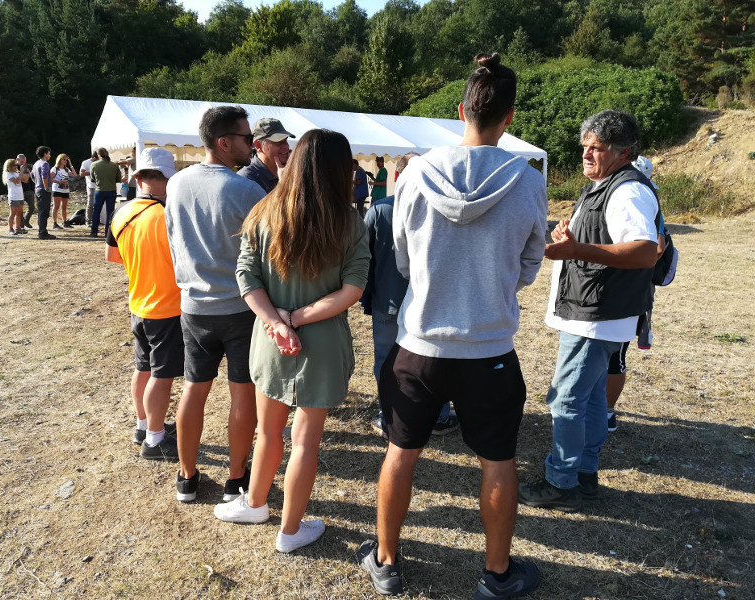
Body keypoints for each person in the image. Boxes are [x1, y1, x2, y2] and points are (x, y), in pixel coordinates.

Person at [357, 53, 547, 599]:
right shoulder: (528, 183)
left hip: (418, 343)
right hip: (489, 346)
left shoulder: (415, 175)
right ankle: (497, 574)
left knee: (401, 451)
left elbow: (403, 258)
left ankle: (387, 559)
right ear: (509, 116)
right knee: (498, 459)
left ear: (461, 109)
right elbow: (529, 267)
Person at [214, 129, 370, 555]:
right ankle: (290, 530)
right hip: (321, 343)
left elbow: (246, 276)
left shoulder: (265, 211)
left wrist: (276, 322)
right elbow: (353, 289)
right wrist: (297, 319)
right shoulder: (350, 221)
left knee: (269, 432)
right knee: (305, 441)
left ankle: (255, 502)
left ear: (295, 160)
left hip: (269, 340)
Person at [517, 110, 660, 513]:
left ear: (623, 151)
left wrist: (576, 249)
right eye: (585, 147)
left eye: (595, 148)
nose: (586, 155)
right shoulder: (606, 185)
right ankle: (584, 475)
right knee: (594, 399)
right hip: (596, 310)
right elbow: (610, 240)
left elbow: (645, 250)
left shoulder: (627, 191)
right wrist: (573, 238)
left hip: (595, 315)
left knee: (566, 400)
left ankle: (560, 483)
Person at [164, 106, 265, 503]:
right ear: (223, 142)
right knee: (243, 394)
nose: (252, 145)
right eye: (245, 138)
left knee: (193, 388)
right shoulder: (246, 190)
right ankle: (236, 479)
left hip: (193, 306)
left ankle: (186, 476)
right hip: (241, 307)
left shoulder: (176, 184)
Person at [362, 152, 459, 439]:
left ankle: (391, 416)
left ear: (396, 176)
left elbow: (362, 259)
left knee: (387, 361)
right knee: (432, 361)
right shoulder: (443, 209)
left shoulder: (380, 210)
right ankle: (437, 416)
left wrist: (368, 293)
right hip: (431, 302)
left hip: (388, 301)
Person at [105, 148, 183, 462]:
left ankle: (142, 425)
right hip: (167, 306)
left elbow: (112, 256)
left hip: (138, 303)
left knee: (143, 368)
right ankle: (154, 439)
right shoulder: (168, 215)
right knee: (161, 377)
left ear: (138, 177)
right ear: (169, 178)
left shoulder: (122, 212)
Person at [605, 155, 666, 432]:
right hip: (616, 290)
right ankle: (601, 408)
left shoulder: (637, 195)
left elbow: (656, 247)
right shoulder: (633, 191)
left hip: (629, 291)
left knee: (615, 356)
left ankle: (607, 412)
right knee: (606, 355)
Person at [237, 118, 294, 193]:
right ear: (257, 145)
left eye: (285, 140)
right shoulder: (246, 180)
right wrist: (283, 184)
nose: (286, 146)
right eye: (278, 141)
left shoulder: (291, 172)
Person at [89, 147, 121, 238]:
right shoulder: (114, 165)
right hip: (111, 191)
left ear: (98, 155)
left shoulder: (94, 165)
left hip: (99, 190)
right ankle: (108, 232)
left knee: (96, 211)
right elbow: (118, 179)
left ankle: (94, 231)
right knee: (110, 212)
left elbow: (92, 179)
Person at [31, 146, 56, 240]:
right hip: (43, 190)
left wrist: (37, 184)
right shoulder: (45, 164)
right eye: (48, 153)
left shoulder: (36, 163)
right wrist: (46, 187)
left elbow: (32, 175)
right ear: (45, 154)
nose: (49, 155)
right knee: (44, 212)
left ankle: (43, 231)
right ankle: (42, 233)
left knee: (41, 211)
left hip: (37, 189)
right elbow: (44, 176)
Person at [51, 154, 77, 229]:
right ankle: (54, 223)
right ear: (59, 160)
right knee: (56, 206)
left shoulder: (66, 169)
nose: (65, 161)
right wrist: (59, 182)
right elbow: (50, 179)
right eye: (64, 159)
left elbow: (75, 175)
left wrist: (71, 165)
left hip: (65, 189)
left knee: (64, 207)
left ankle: (65, 222)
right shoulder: (55, 169)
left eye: (66, 160)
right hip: (57, 189)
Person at [2, 159, 27, 235]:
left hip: (20, 196)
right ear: (10, 166)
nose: (16, 166)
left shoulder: (16, 173)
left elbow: (25, 180)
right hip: (13, 196)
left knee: (19, 213)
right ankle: (10, 228)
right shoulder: (8, 174)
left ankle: (18, 227)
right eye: (15, 165)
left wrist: (26, 173)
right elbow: (16, 181)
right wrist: (21, 173)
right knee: (13, 213)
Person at [17, 154, 36, 230]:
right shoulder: (14, 168)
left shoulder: (26, 167)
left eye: (24, 162)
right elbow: (21, 179)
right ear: (17, 160)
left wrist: (32, 189)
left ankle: (26, 220)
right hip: (20, 191)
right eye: (21, 161)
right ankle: (21, 225)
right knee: (20, 209)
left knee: (32, 207)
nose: (23, 163)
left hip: (29, 190)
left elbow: (30, 179)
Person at [80, 151, 98, 226]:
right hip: (91, 186)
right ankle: (88, 221)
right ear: (94, 158)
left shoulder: (99, 162)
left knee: (98, 204)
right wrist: (92, 173)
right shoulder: (86, 162)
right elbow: (81, 174)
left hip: (99, 186)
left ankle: (96, 220)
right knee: (90, 203)